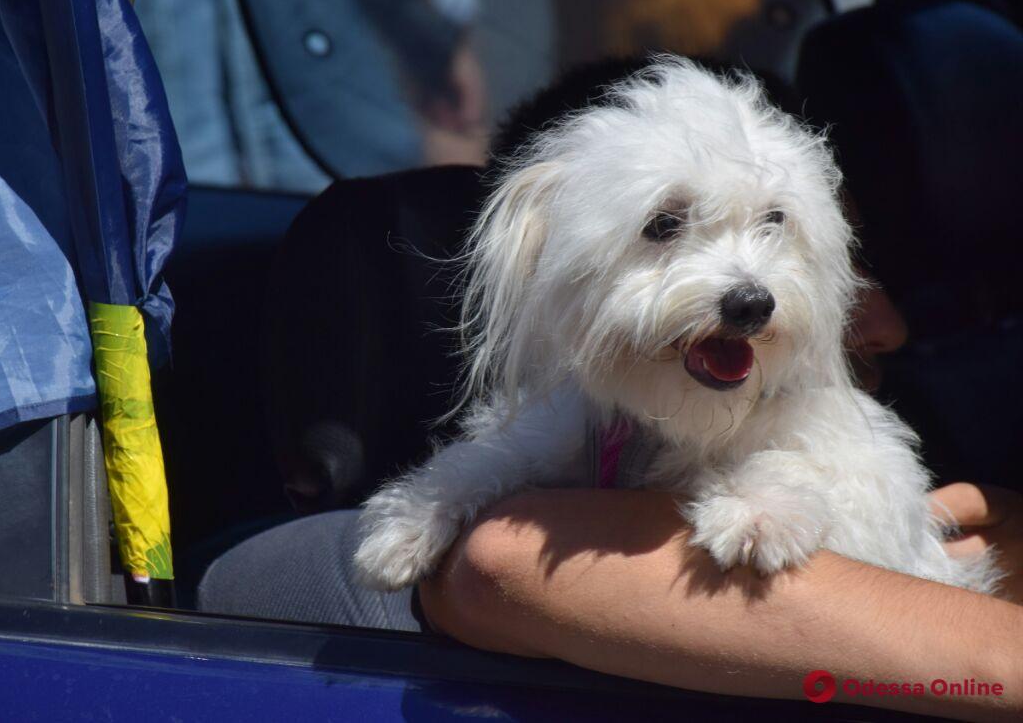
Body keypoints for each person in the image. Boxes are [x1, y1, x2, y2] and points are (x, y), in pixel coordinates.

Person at [196, 64, 1023, 720]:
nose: (750, 288)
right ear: (553, 254)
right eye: (665, 228)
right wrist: (440, 497)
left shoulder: (849, 435)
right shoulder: (530, 515)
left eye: (775, 228)